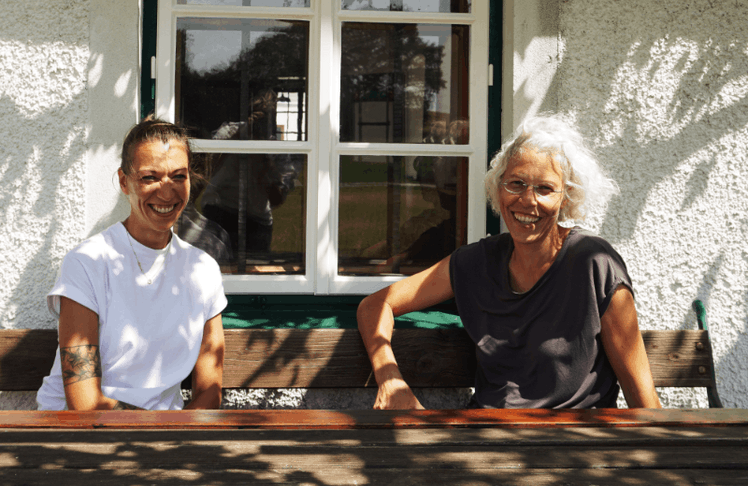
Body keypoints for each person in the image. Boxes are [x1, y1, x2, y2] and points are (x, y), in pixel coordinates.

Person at [357, 115, 662, 410]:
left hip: (573, 446)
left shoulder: (595, 264)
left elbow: (642, 399)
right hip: (489, 440)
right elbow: (375, 305)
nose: (527, 200)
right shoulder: (476, 262)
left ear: (567, 197)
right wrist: (390, 378)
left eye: (544, 188)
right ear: (498, 187)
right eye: (515, 183)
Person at [36, 117, 227, 411]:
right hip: (78, 430)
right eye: (150, 177)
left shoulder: (203, 270)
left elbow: (209, 391)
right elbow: (84, 401)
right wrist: (156, 435)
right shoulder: (87, 263)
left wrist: (176, 441)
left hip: (164, 435)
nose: (167, 191)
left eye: (178, 176)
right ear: (125, 182)